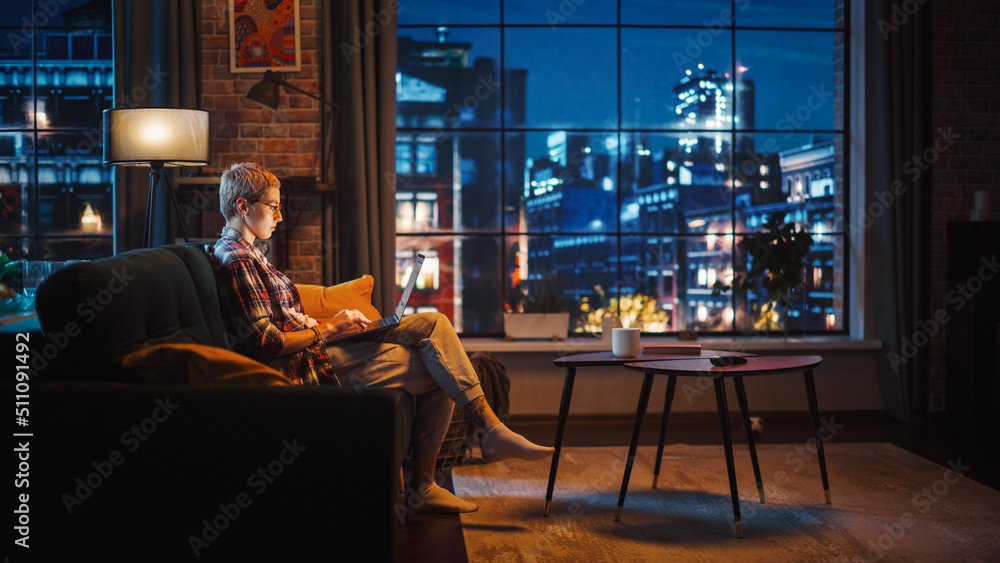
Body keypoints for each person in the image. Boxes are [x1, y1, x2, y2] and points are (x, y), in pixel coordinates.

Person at [212, 162, 553, 514]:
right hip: (306, 365)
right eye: (273, 207)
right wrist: (328, 329)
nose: (280, 216)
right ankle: (432, 480)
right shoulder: (236, 259)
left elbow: (286, 321)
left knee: (433, 323)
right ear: (243, 207)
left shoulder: (253, 255)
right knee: (440, 370)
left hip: (319, 344)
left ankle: (489, 433)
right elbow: (269, 343)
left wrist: (337, 323)